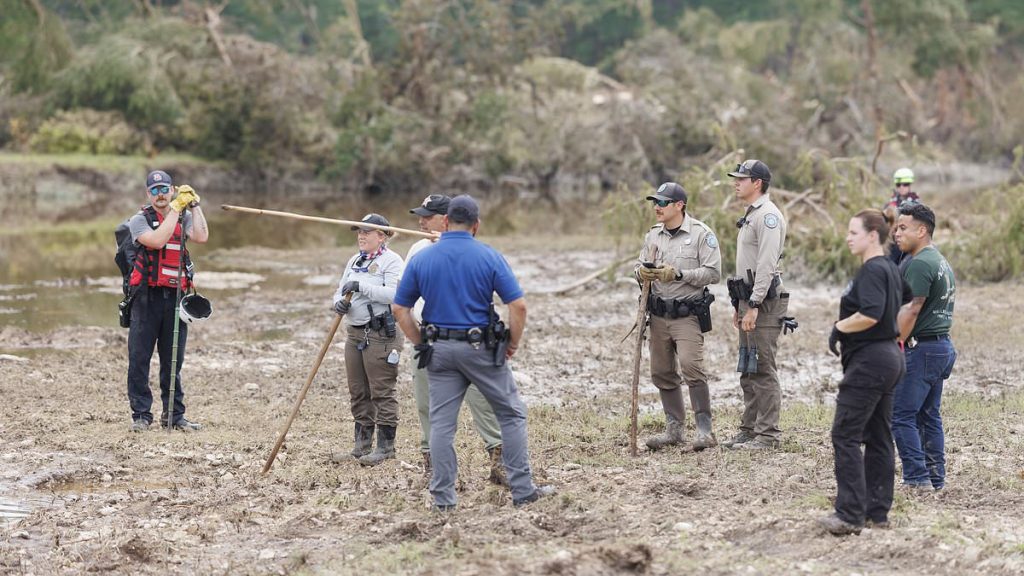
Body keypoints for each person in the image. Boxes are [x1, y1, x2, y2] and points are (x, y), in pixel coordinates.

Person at [392, 195, 554, 510]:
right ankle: (523, 491)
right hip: (481, 349)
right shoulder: (488, 256)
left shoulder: (423, 258)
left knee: (441, 424)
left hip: (438, 349)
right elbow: (518, 305)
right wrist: (513, 343)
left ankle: (443, 499)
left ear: (447, 221)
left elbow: (400, 307)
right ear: (476, 225)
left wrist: (419, 341)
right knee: (511, 414)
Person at [406, 194, 507, 485]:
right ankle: (433, 464)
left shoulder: (472, 249)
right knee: (428, 403)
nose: (421, 222)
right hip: (430, 335)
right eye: (421, 216)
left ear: (446, 219)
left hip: (472, 337)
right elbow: (403, 299)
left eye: (428, 216)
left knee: (484, 399)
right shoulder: (417, 248)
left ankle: (499, 458)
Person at [818, 209, 906, 535]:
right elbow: (904, 300)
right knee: (879, 436)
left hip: (871, 360)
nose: (847, 237)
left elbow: (869, 314)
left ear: (873, 235)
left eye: (854, 232)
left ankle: (849, 513)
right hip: (889, 357)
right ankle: (877, 512)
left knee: (845, 434)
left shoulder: (872, 269)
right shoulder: (890, 269)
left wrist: (839, 327)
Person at [635, 182, 722, 451]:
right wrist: (642, 273)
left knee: (691, 367)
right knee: (661, 372)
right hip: (658, 314)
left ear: (679, 205)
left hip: (687, 314)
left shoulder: (700, 235)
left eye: (662, 203)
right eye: (654, 202)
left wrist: (680, 275)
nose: (656, 208)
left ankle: (704, 431)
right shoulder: (653, 236)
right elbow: (638, 267)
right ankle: (674, 429)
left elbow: (713, 273)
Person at [126, 170, 208, 432]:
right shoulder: (139, 221)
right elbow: (158, 241)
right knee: (139, 359)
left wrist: (194, 206)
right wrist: (175, 209)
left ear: (172, 189)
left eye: (165, 189)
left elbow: (201, 236)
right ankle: (141, 416)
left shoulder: (181, 218)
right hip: (146, 299)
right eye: (155, 191)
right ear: (147, 194)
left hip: (175, 299)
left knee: (173, 360)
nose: (160, 195)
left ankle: (174, 415)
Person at [723, 159, 789, 450]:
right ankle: (749, 429)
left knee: (762, 367)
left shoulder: (768, 216)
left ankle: (768, 435)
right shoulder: (751, 214)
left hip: (761, 302)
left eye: (742, 178)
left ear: (757, 183)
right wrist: (739, 305)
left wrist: (753, 304)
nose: (736, 182)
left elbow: (766, 265)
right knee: (748, 368)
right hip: (747, 300)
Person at [892, 203, 957, 492]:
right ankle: (935, 477)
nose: (897, 232)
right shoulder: (937, 258)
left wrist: (896, 343)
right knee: (928, 415)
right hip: (940, 347)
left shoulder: (919, 263)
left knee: (901, 415)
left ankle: (917, 478)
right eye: (896, 226)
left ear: (922, 230)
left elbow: (913, 309)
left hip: (922, 350)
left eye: (903, 227)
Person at [332, 214, 405, 467]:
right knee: (358, 390)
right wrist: (338, 303)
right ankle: (361, 446)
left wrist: (362, 286)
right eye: (358, 232)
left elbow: (396, 294)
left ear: (382, 236)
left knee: (381, 390)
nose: (361, 236)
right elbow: (340, 288)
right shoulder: (354, 260)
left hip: (381, 333)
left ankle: (386, 448)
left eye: (367, 232)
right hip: (354, 333)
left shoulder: (392, 261)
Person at [883, 168, 920, 264]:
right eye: (899, 185)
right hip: (891, 241)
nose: (902, 187)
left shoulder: (917, 205)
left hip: (908, 239)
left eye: (905, 184)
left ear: (910, 185)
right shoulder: (889, 204)